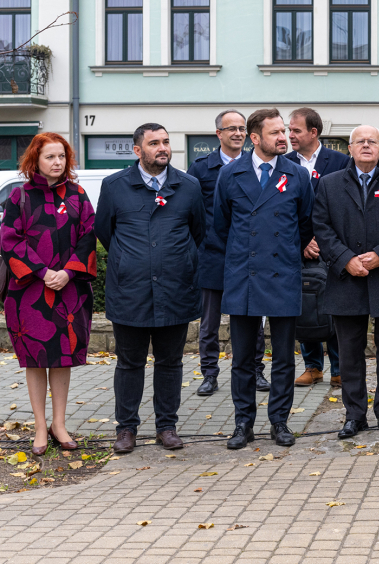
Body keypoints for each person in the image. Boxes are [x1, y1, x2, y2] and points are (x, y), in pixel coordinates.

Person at [95, 124, 206, 454]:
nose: (162, 147)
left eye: (166, 142)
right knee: (129, 362)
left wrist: (176, 260)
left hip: (176, 289)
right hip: (130, 292)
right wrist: (132, 261)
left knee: (171, 362)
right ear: (137, 150)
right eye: (154, 142)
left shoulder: (188, 186)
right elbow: (105, 232)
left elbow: (197, 232)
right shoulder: (114, 186)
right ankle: (126, 428)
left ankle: (166, 426)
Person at [213, 108, 314, 449]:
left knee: (284, 357)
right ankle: (243, 424)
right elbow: (221, 225)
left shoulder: (297, 175)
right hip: (245, 275)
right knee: (242, 358)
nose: (284, 137)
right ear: (255, 138)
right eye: (275, 133)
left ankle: (279, 422)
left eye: (284, 131)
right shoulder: (230, 175)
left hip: (283, 274)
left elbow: (305, 225)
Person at [313, 125, 379, 439]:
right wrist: (346, 259)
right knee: (349, 352)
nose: (365, 145)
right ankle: (354, 415)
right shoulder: (329, 184)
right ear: (349, 148)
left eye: (371, 141)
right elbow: (322, 226)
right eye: (359, 141)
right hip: (347, 279)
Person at [1, 134, 96, 456]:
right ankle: (40, 426)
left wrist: (68, 271)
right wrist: (43, 272)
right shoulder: (18, 196)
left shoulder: (78, 194)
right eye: (50, 157)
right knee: (35, 358)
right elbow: (9, 240)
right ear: (35, 161)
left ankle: (59, 423)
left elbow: (88, 236)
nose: (57, 163)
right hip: (29, 290)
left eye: (62, 157)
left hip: (70, 289)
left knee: (61, 358)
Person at [187, 110, 269, 397]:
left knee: (252, 318)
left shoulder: (257, 165)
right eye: (230, 128)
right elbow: (191, 213)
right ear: (218, 134)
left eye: (242, 128)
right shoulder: (200, 169)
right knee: (209, 322)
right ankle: (209, 374)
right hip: (213, 255)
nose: (237, 133)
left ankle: (255, 370)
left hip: (249, 256)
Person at [285, 107, 350, 388]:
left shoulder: (340, 161)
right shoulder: (283, 163)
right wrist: (302, 242)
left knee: (333, 308)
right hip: (299, 251)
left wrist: (323, 242)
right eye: (289, 130)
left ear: (313, 132)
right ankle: (312, 366)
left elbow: (346, 208)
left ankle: (339, 369)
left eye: (295, 130)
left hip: (333, 250)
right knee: (305, 307)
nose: (290, 135)